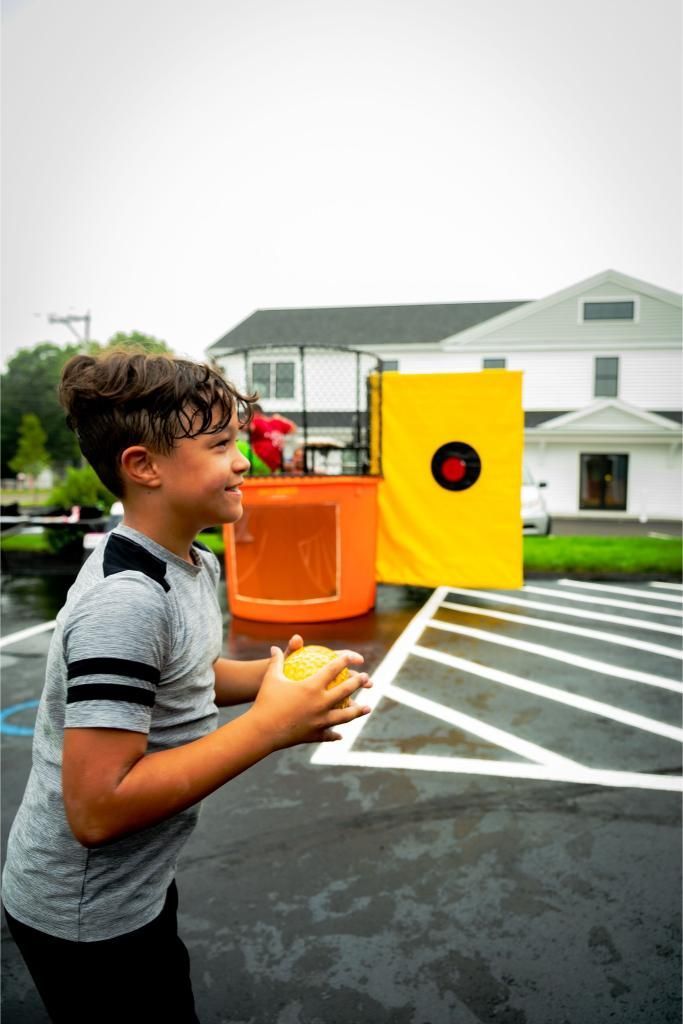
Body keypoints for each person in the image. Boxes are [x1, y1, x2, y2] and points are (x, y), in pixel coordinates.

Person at [1, 350, 371, 1024]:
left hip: (134, 892)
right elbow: (96, 808)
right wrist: (270, 727)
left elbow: (186, 676)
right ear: (144, 466)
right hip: (83, 918)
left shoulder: (187, 564)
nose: (244, 462)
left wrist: (273, 681)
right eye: (222, 444)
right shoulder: (127, 603)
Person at [248, 403, 297, 472]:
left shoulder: (257, 420)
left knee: (238, 443)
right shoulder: (275, 420)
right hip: (270, 463)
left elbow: (293, 429)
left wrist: (280, 418)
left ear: (255, 413)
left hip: (263, 463)